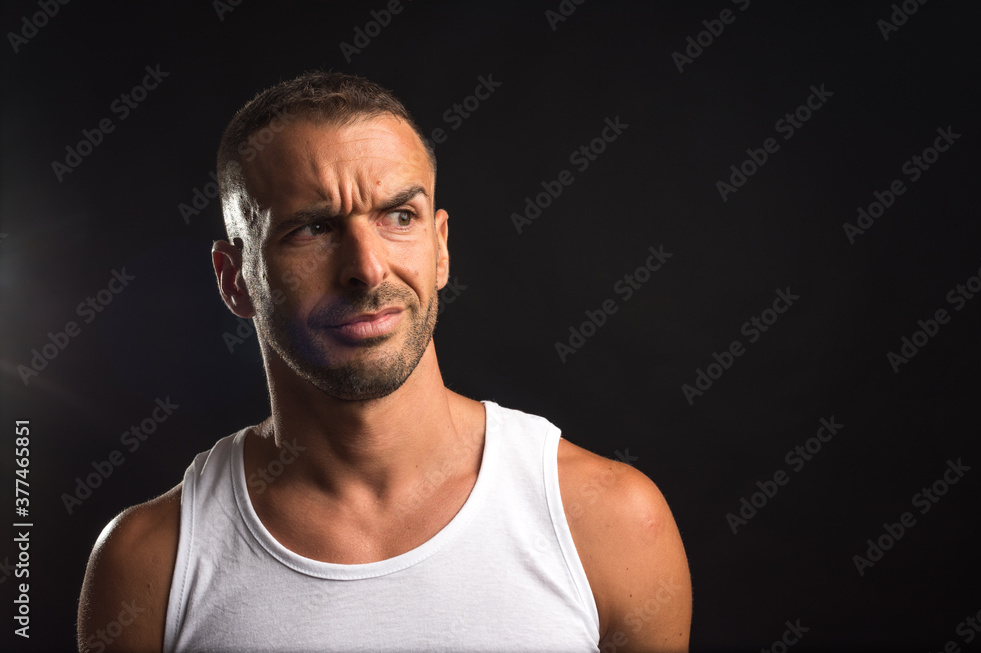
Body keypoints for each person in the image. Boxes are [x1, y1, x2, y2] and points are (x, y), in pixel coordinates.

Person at [77, 71, 691, 652]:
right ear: (235, 278)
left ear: (440, 247)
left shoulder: (611, 523)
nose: (368, 269)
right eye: (312, 229)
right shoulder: (149, 563)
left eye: (400, 217)